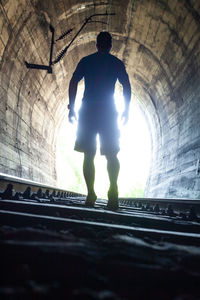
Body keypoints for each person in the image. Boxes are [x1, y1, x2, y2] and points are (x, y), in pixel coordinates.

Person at [68, 31, 131, 210]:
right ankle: (113, 192)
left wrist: (72, 107)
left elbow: (73, 81)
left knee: (89, 154)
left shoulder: (86, 61)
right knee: (112, 154)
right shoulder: (116, 63)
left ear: (96, 45)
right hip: (108, 112)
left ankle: (91, 194)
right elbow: (126, 85)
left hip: (88, 111)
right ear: (111, 46)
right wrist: (126, 110)